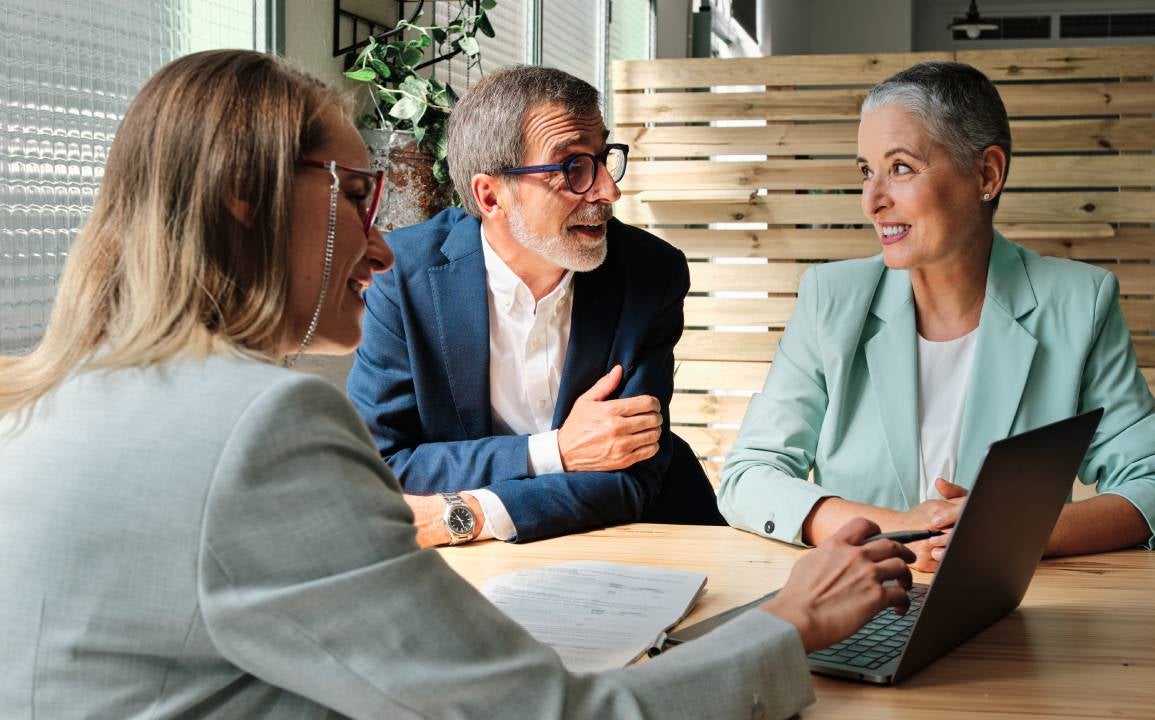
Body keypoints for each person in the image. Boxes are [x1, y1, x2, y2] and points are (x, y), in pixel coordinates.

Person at [0, 50, 917, 719]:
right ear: (248, 193)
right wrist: (787, 627)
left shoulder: (57, 402)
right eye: (358, 191)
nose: (380, 237)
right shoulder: (261, 422)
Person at [717, 61, 1155, 570]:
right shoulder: (829, 300)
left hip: (1012, 612)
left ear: (987, 173)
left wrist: (1009, 528)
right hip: (862, 607)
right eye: (866, 171)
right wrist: (894, 531)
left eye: (900, 167)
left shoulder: (1080, 303)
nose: (872, 200)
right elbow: (749, 477)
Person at [347, 64, 721, 547]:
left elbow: (633, 470)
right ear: (490, 195)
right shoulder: (401, 276)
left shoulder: (651, 274)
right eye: (573, 169)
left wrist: (475, 512)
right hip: (472, 564)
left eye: (604, 159)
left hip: (641, 537)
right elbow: (380, 465)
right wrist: (554, 451)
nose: (609, 190)